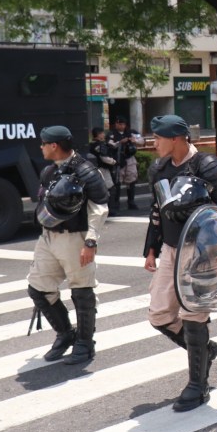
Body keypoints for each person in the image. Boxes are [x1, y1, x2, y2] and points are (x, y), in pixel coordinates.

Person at [142, 114, 217, 411]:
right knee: (160, 314)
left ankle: (198, 385)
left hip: (201, 250)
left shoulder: (208, 167)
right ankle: (205, 350)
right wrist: (151, 249)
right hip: (170, 249)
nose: (154, 143)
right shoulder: (160, 169)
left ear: (176, 138)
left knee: (193, 315)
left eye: (158, 138)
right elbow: (157, 212)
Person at [27, 125, 110, 366]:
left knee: (82, 291)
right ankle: (65, 334)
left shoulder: (86, 171)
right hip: (48, 237)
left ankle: (85, 343)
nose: (41, 147)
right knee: (38, 288)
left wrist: (91, 241)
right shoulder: (49, 171)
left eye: (43, 143)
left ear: (54, 145)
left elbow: (99, 207)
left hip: (75, 238)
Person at [109, 117, 143, 211]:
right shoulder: (112, 134)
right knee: (117, 182)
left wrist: (134, 140)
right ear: (116, 124)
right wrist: (120, 142)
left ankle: (131, 202)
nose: (122, 126)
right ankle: (116, 203)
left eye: (123, 124)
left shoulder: (131, 132)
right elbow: (110, 144)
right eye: (120, 124)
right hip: (118, 159)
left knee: (131, 180)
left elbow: (142, 140)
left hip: (130, 158)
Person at [87, 127, 118, 216]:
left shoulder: (91, 144)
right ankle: (110, 209)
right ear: (98, 134)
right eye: (102, 133)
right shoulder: (99, 145)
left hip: (93, 169)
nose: (103, 135)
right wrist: (114, 162)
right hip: (102, 169)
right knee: (110, 188)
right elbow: (104, 158)